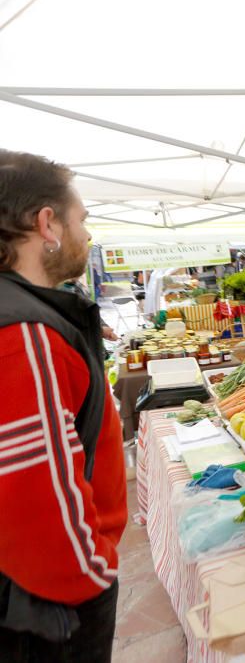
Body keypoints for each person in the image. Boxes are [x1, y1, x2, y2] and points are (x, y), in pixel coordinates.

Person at [0, 150, 127, 662]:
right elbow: (35, 497)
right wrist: (94, 574)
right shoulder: (25, 333)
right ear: (46, 223)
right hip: (51, 614)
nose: (87, 236)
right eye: (82, 221)